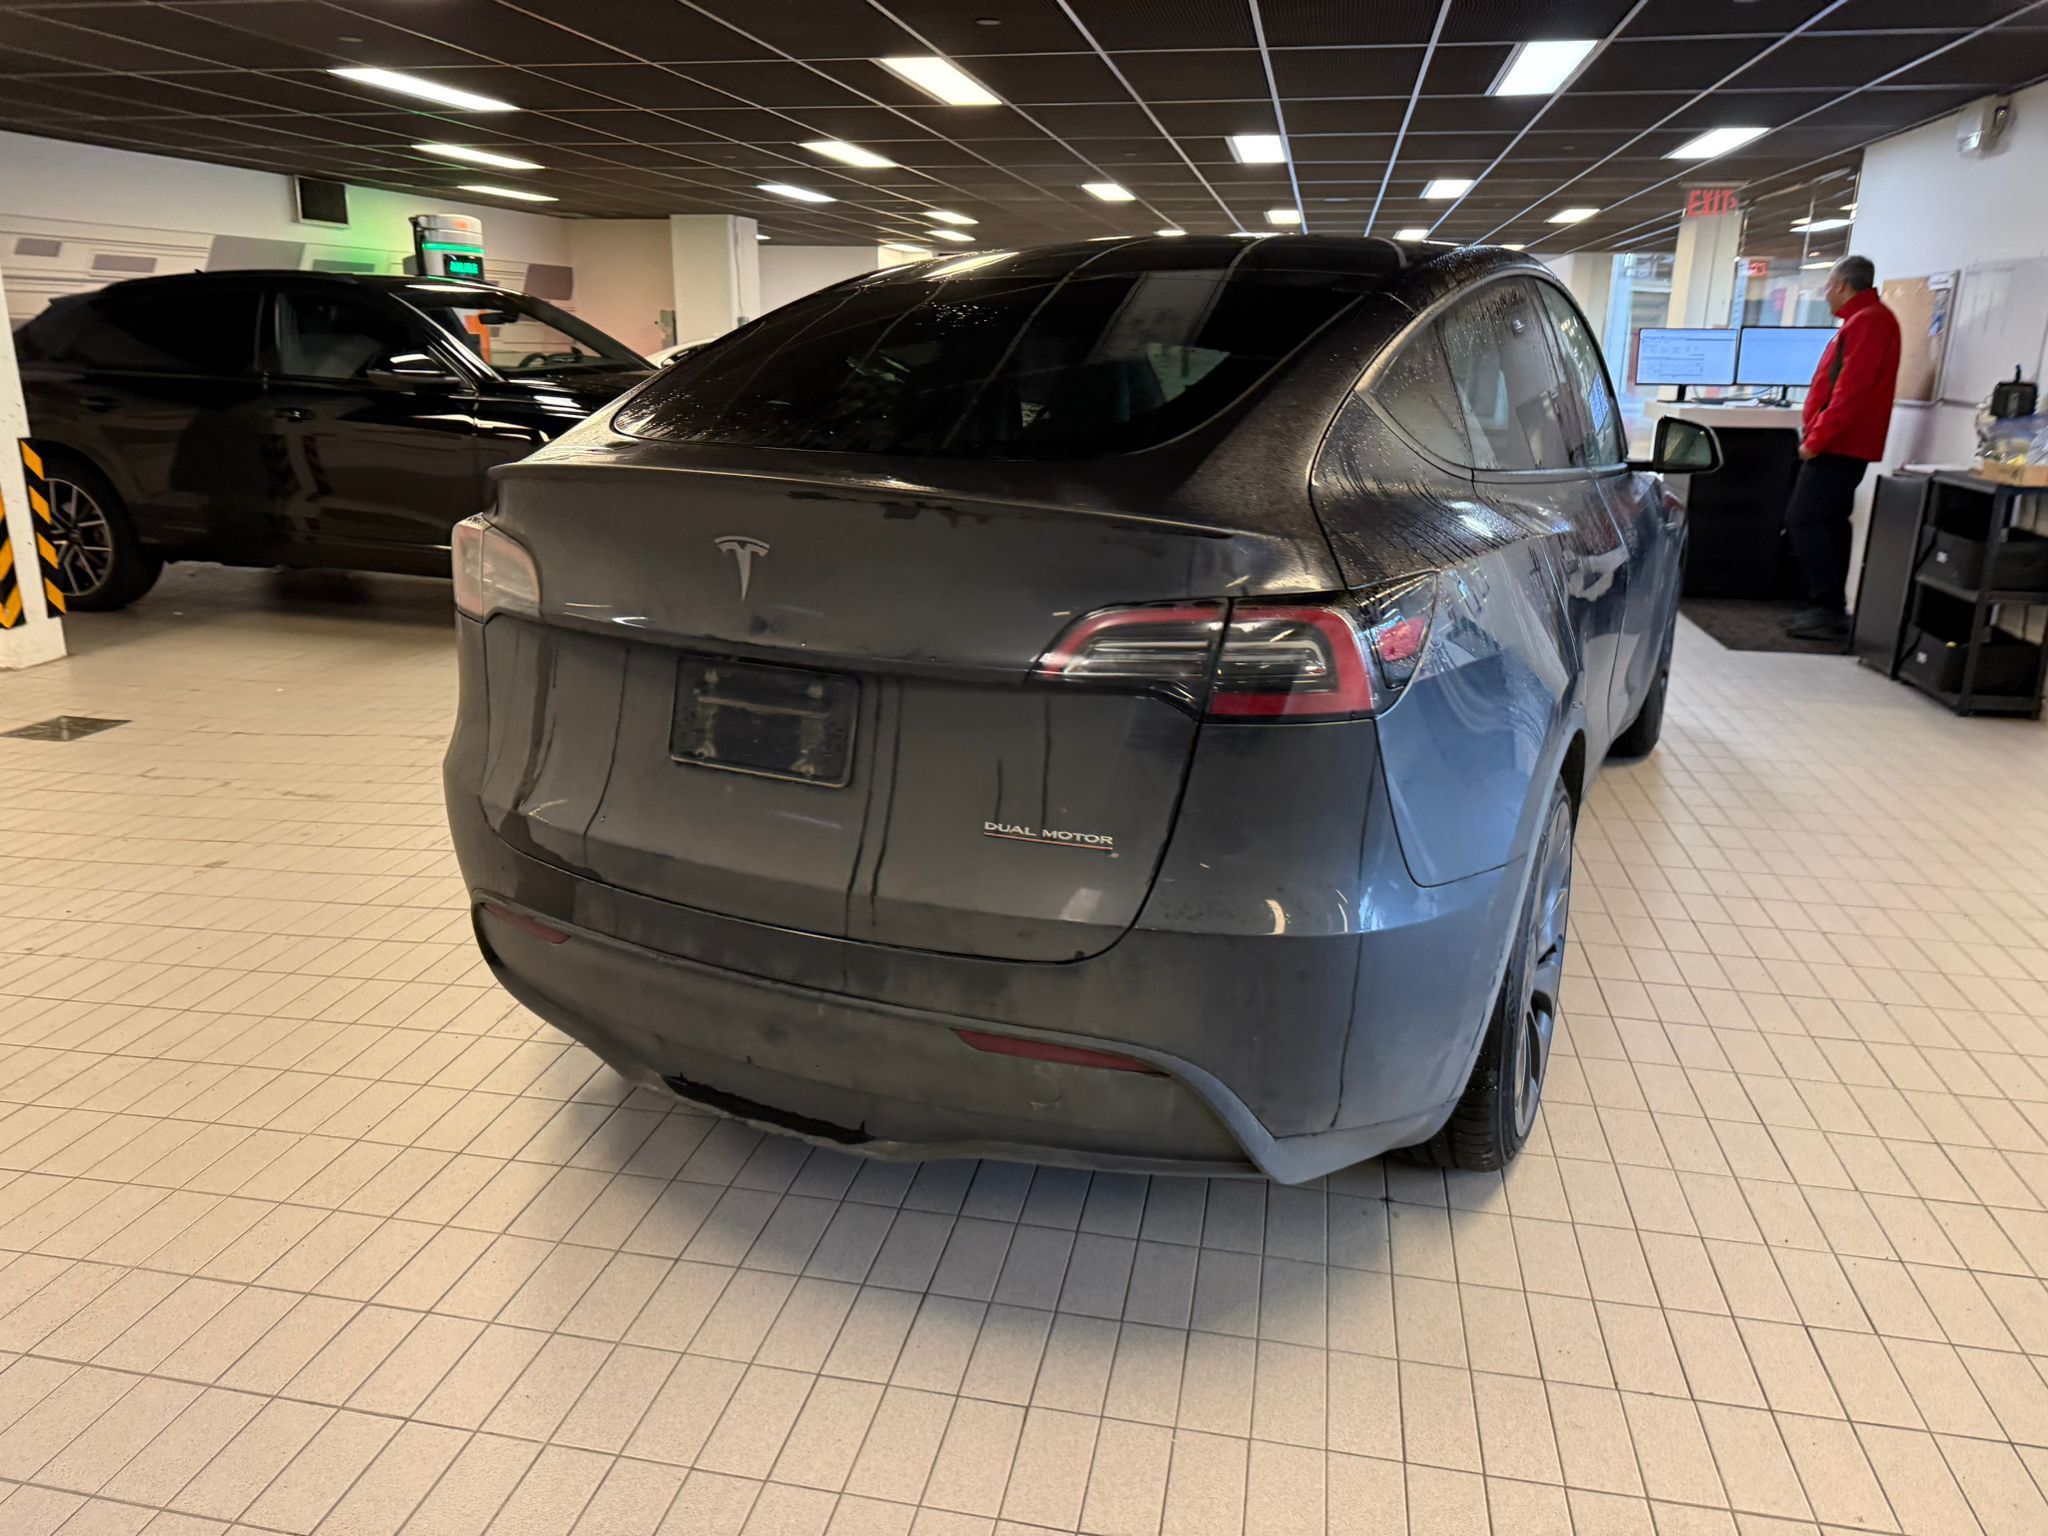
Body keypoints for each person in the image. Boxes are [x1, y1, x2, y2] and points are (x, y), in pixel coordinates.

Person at [1782, 254, 1902, 644]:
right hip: (1842, 444)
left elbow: (1850, 393)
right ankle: (1829, 607)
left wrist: (1816, 440)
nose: (1826, 295)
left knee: (1804, 520)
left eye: (1828, 286)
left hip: (1840, 446)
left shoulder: (1868, 323)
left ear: (1843, 286)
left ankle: (1827, 607)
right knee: (1830, 522)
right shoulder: (1863, 321)